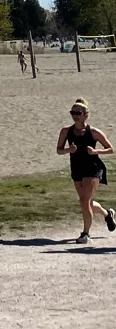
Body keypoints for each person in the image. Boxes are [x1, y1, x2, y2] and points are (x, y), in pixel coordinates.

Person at [56, 98, 116, 244]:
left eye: (78, 112)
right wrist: (68, 150)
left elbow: (111, 149)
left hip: (93, 168)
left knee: (84, 201)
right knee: (85, 203)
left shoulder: (94, 132)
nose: (75, 115)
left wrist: (95, 151)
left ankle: (85, 234)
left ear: (85, 114)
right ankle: (107, 214)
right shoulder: (66, 131)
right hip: (77, 168)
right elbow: (59, 150)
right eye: (72, 112)